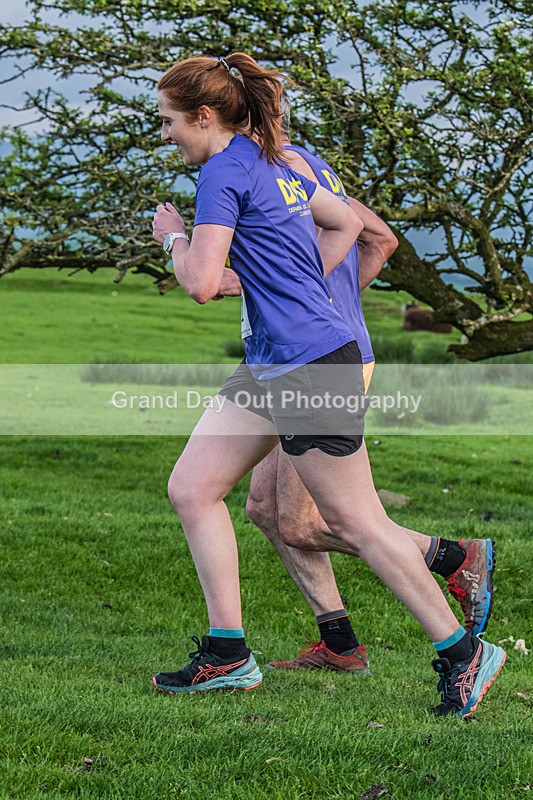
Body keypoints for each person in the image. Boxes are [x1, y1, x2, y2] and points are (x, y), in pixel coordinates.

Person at [151, 52, 505, 717]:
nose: (165, 133)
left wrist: (173, 238)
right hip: (272, 360)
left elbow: (199, 282)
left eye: (168, 120)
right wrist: (297, 284)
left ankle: (463, 653)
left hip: (308, 362)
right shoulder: (274, 157)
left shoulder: (224, 173)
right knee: (192, 488)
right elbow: (348, 223)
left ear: (203, 115)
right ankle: (227, 654)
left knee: (351, 519)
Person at [241, 96, 496, 673]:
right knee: (263, 508)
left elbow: (367, 240)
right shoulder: (296, 167)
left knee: (305, 521)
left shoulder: (289, 171)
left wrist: (314, 296)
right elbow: (376, 239)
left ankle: (454, 557)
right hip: (281, 356)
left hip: (318, 357)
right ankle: (338, 642)